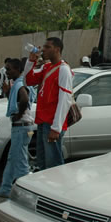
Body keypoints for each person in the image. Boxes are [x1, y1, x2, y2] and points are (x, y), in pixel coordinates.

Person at [23, 37, 73, 170]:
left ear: (57, 50)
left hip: (52, 124)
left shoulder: (63, 69)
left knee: (53, 165)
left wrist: (56, 128)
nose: (43, 49)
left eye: (47, 47)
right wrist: (31, 61)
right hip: (42, 121)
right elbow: (28, 81)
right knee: (42, 163)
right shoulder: (47, 67)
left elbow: (65, 99)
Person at [0, 59, 35, 198]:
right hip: (22, 127)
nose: (7, 71)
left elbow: (23, 99)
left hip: (21, 127)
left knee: (21, 162)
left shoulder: (20, 84)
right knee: (12, 159)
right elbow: (17, 99)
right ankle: (5, 188)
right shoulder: (17, 84)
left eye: (9, 69)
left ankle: (28, 194)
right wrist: (7, 92)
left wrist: (18, 114)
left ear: (17, 69)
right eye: (6, 68)